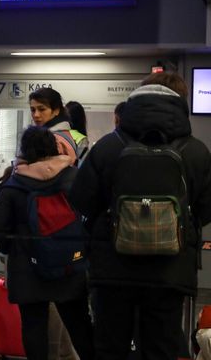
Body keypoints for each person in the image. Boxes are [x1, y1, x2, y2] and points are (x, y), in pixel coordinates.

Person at [70, 72, 211, 359]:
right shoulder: (195, 151)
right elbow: (206, 208)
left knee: (110, 347)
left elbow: (81, 199)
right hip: (170, 270)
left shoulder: (109, 146)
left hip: (112, 269)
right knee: (161, 348)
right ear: (181, 103)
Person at [0, 127, 95, 360]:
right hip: (69, 265)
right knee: (79, 325)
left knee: (33, 327)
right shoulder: (73, 178)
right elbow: (91, 216)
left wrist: (13, 251)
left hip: (28, 269)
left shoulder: (15, 183)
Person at [29, 88, 86, 165]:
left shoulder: (36, 138)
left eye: (42, 109)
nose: (36, 115)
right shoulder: (32, 136)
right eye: (33, 110)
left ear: (56, 110)